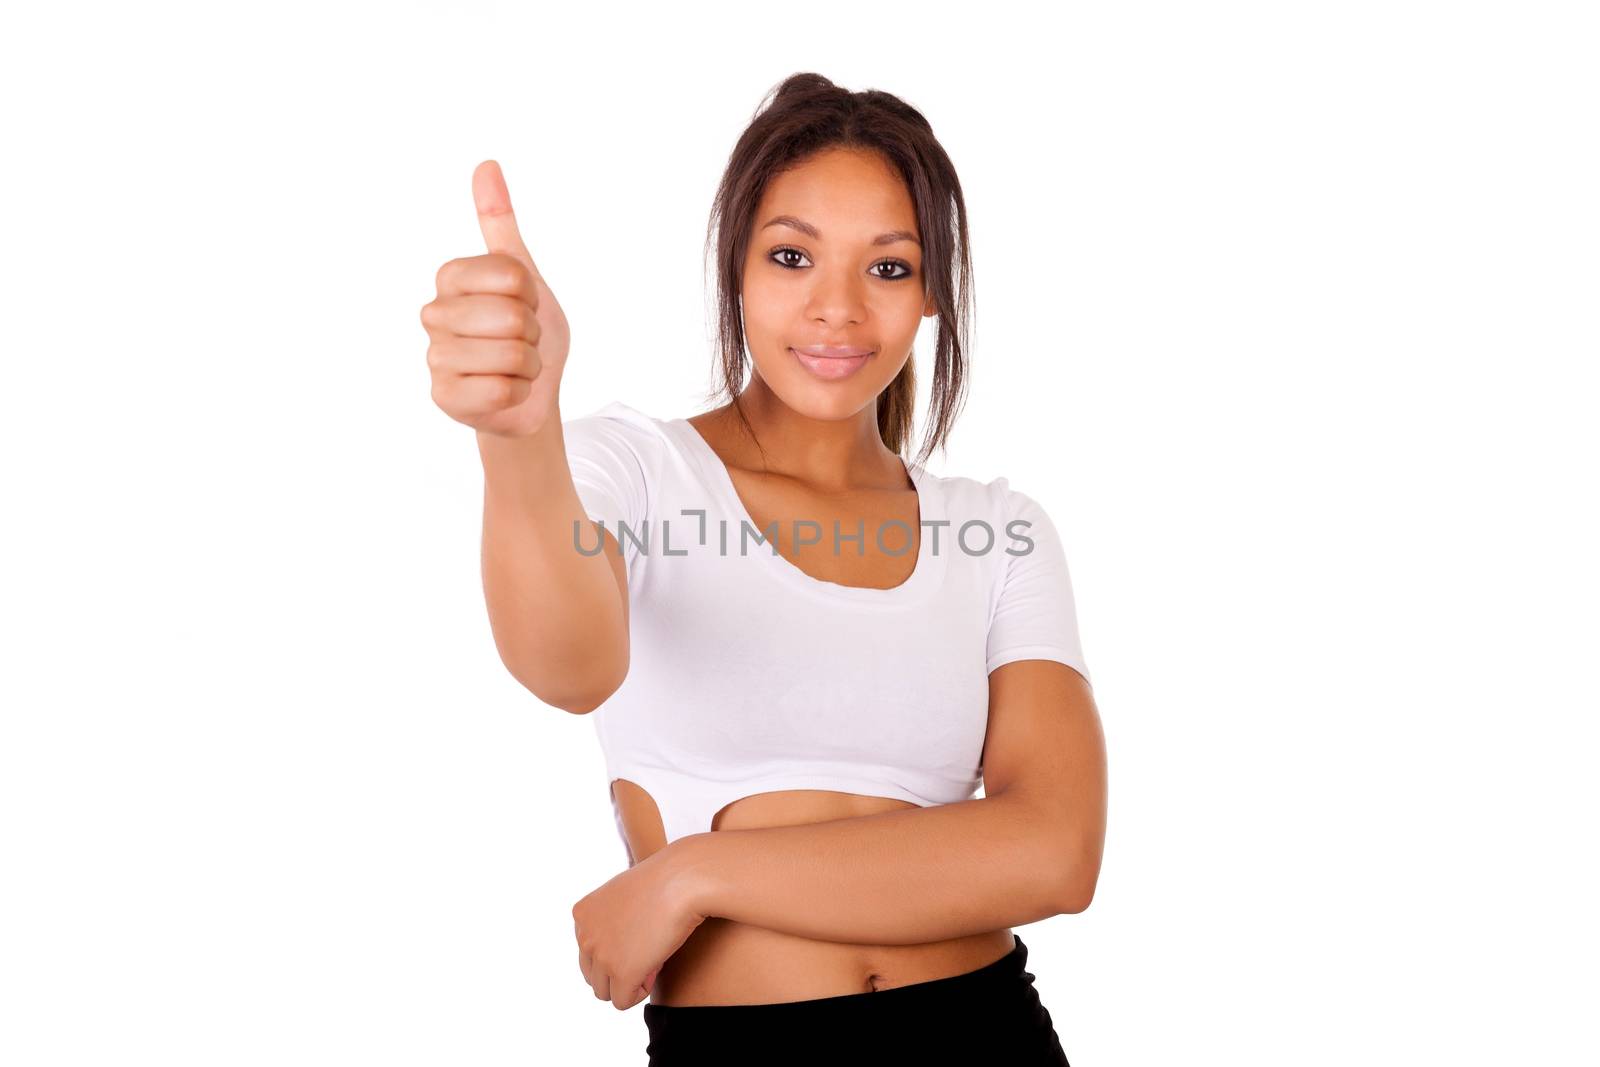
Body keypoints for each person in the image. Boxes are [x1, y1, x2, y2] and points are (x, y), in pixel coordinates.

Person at [420, 72, 1106, 1067]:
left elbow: (1053, 849)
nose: (835, 310)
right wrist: (518, 441)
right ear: (734, 268)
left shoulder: (994, 530)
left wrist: (694, 874)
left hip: (985, 1032)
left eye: (888, 267)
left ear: (930, 294)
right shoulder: (637, 470)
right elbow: (564, 668)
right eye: (792, 256)